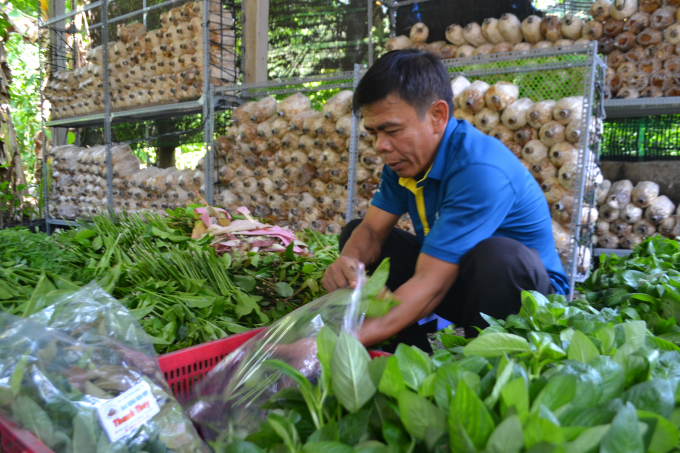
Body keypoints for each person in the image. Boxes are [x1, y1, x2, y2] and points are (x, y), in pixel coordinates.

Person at [322, 49, 569, 353]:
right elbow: (372, 231)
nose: (381, 146)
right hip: (458, 285)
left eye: (392, 130)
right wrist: (348, 262)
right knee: (358, 235)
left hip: (524, 297)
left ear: (438, 116)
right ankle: (406, 355)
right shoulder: (404, 162)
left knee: (498, 256)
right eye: (374, 133)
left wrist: (336, 344)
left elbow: (431, 282)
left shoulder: (479, 169)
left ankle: (488, 362)